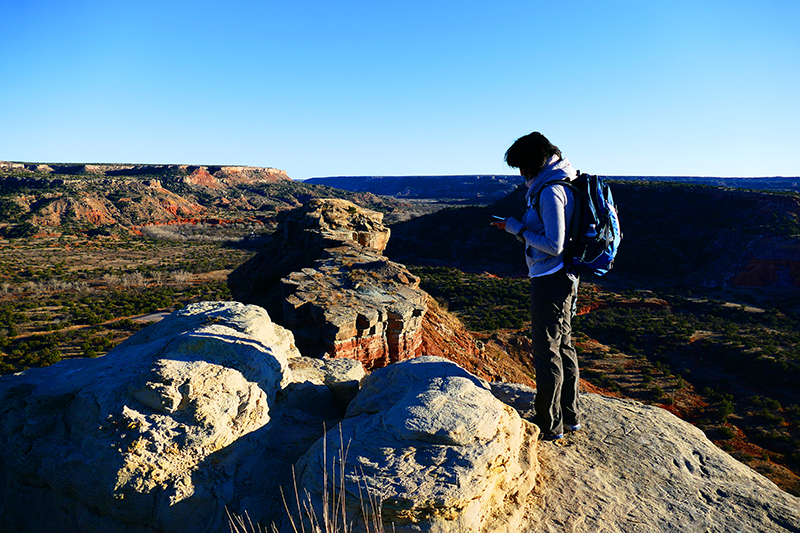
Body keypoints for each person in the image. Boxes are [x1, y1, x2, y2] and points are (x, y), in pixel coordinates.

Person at [491, 131, 581, 440]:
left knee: (547, 352)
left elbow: (553, 244)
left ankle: (549, 423)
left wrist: (515, 227)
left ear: (531, 163)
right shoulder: (563, 180)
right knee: (564, 345)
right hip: (563, 275)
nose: (520, 174)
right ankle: (571, 416)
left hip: (550, 278)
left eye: (520, 167)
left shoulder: (549, 192)